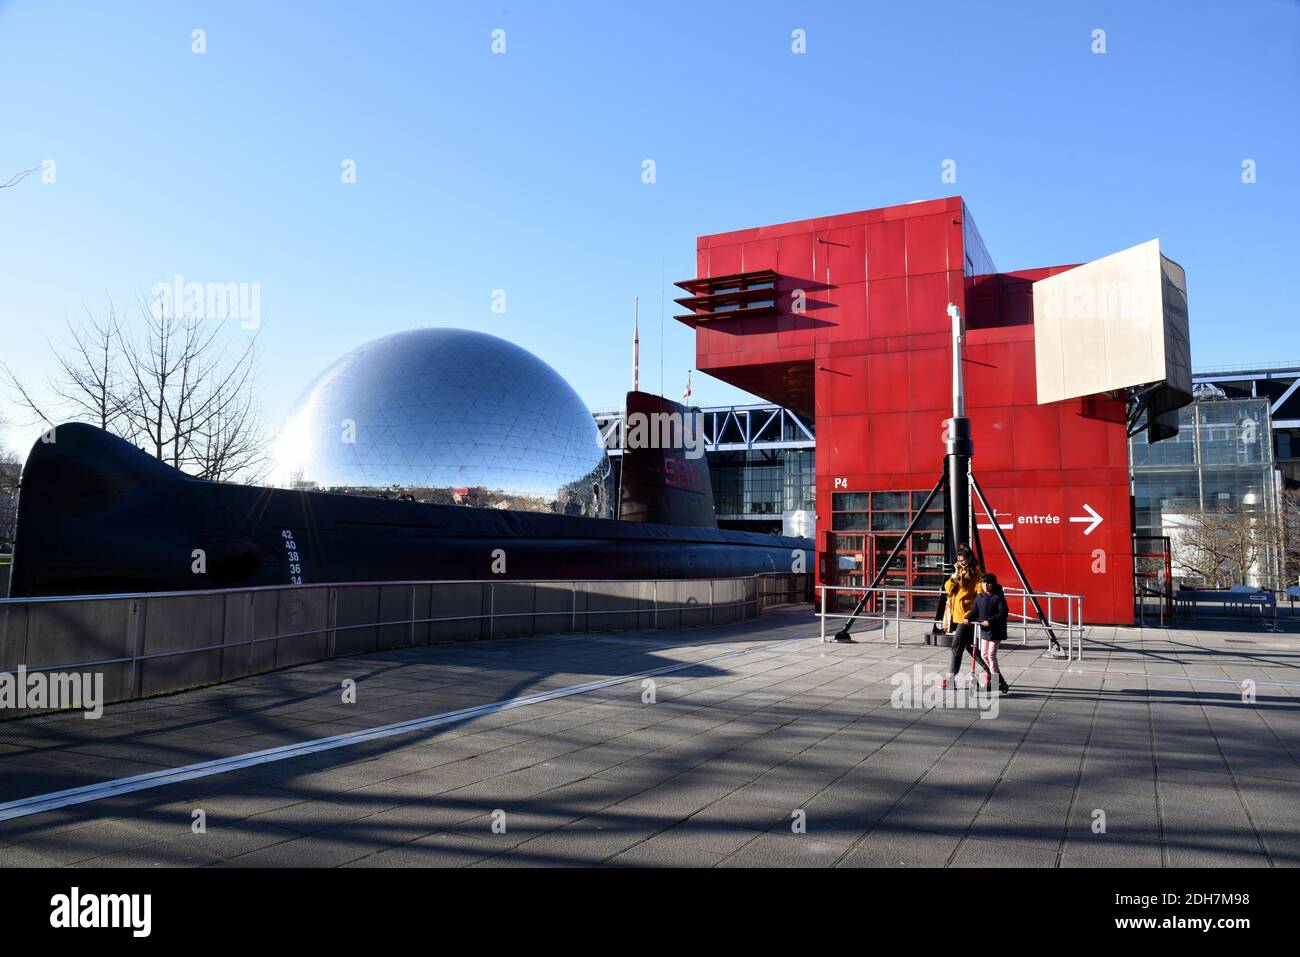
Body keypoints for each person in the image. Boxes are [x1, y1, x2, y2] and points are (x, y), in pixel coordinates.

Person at [942, 547, 988, 690]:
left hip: (967, 617)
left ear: (970, 559)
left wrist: (974, 615)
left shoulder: (977, 576)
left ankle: (951, 679)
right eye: (959, 560)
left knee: (956, 646)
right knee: (970, 647)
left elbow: (980, 597)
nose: (961, 563)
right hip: (957, 615)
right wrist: (955, 574)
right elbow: (948, 588)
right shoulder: (959, 573)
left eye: (963, 560)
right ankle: (991, 672)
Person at [968, 573, 1010, 694]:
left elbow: (1003, 613)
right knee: (984, 655)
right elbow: (974, 611)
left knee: (991, 655)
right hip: (984, 630)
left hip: (995, 630)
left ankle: (995, 680)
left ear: (993, 584)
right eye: (983, 583)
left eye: (988, 583)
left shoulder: (998, 597)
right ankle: (998, 678)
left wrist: (990, 621)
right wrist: (968, 618)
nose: (985, 585)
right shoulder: (980, 597)